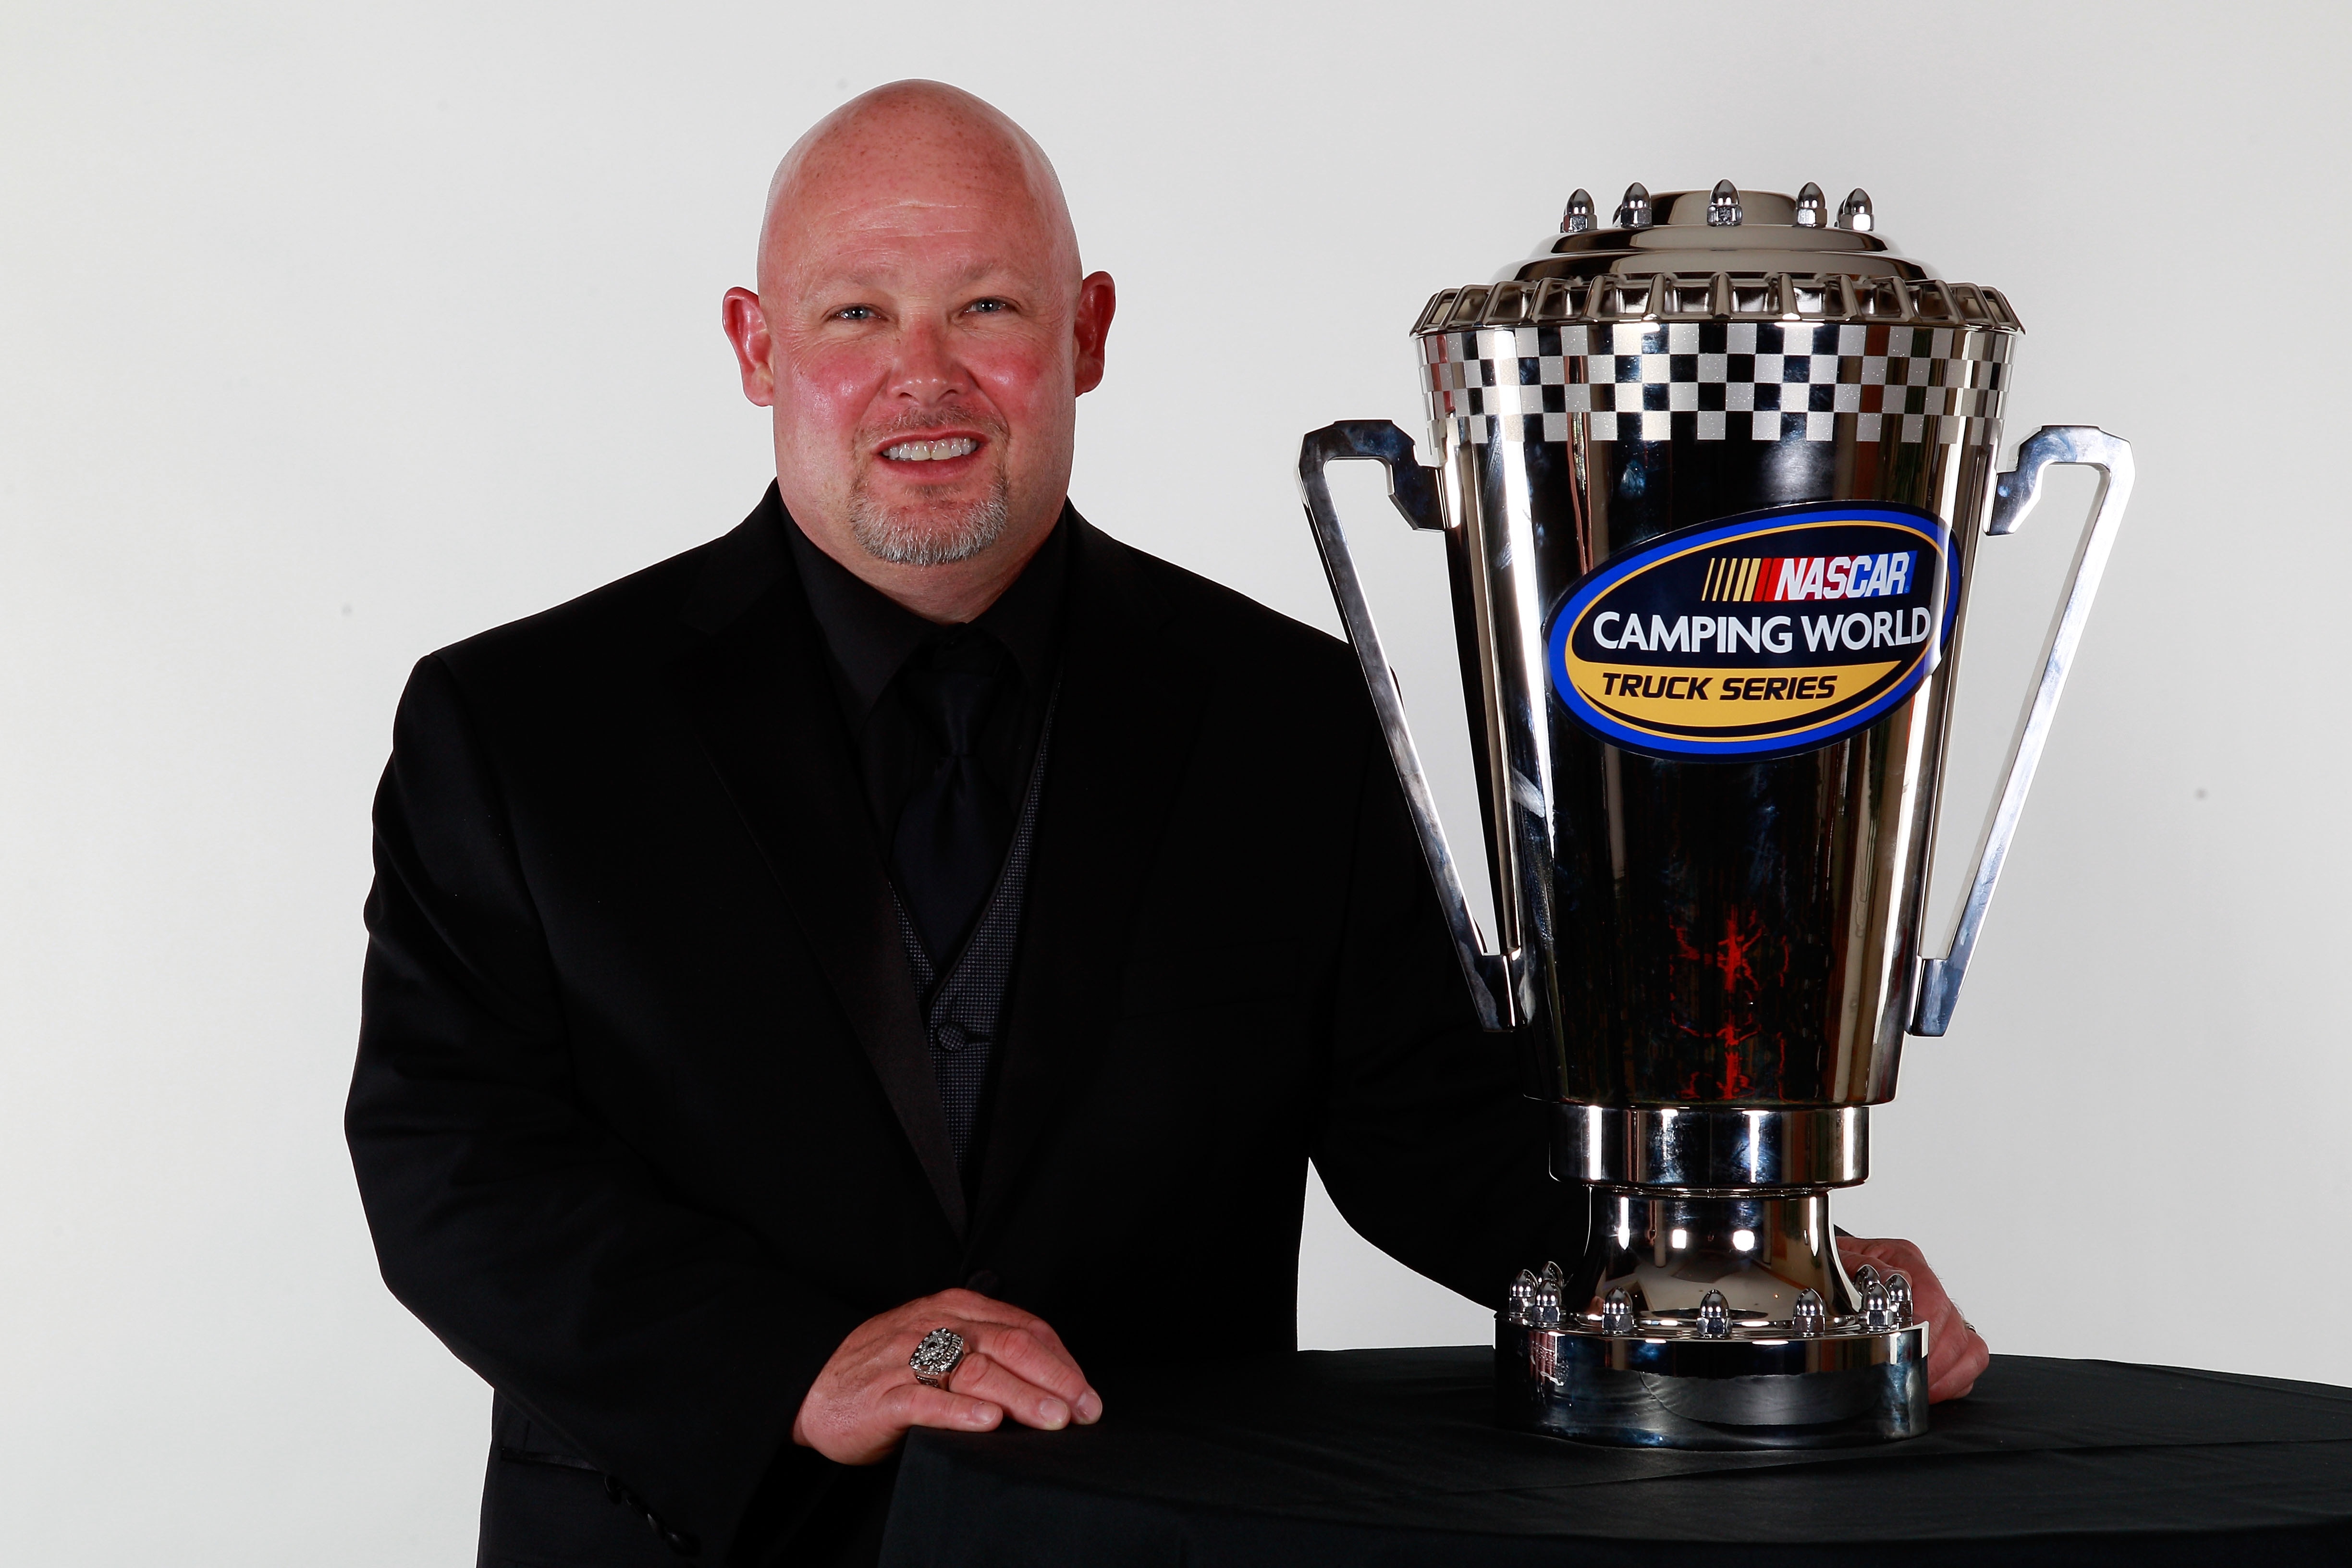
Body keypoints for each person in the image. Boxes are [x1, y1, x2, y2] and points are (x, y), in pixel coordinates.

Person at [346, 81, 1989, 1568]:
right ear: (758, 348)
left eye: (988, 305)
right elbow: (453, 1160)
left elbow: (1437, 1138)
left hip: (1144, 1541)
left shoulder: (1292, 716)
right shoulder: (519, 729)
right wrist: (788, 1368)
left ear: (1089, 333)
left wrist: (1735, 1265)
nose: (924, 373)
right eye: (857, 311)